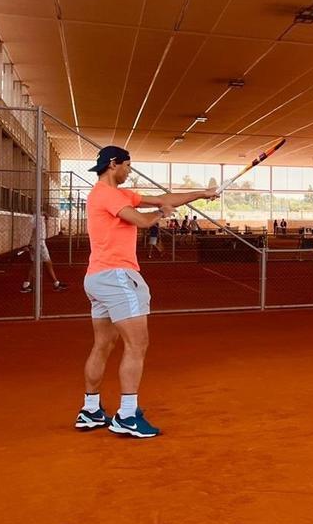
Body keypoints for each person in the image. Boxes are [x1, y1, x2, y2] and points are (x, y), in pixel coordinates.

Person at [74, 145, 216, 439]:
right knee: (137, 345)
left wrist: (202, 193)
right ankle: (126, 415)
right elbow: (140, 219)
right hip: (117, 275)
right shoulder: (108, 194)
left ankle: (90, 410)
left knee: (103, 345)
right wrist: (160, 213)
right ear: (114, 164)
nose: (130, 171)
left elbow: (165, 198)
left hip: (98, 277)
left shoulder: (117, 194)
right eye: (128, 165)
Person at [20, 212, 69, 293]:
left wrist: (29, 243)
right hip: (39, 243)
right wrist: (28, 243)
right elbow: (30, 231)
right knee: (48, 263)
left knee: (35, 264)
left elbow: (46, 218)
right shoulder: (35, 218)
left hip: (37, 242)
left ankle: (26, 285)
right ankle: (56, 283)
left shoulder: (39, 216)